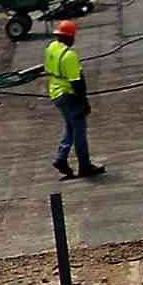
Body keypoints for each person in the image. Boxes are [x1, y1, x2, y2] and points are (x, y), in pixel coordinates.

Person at [44, 18, 97, 178]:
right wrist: (84, 103)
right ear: (68, 37)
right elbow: (77, 83)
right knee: (79, 130)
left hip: (55, 93)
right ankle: (85, 166)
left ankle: (61, 158)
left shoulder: (51, 47)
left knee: (70, 127)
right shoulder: (69, 56)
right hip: (69, 95)